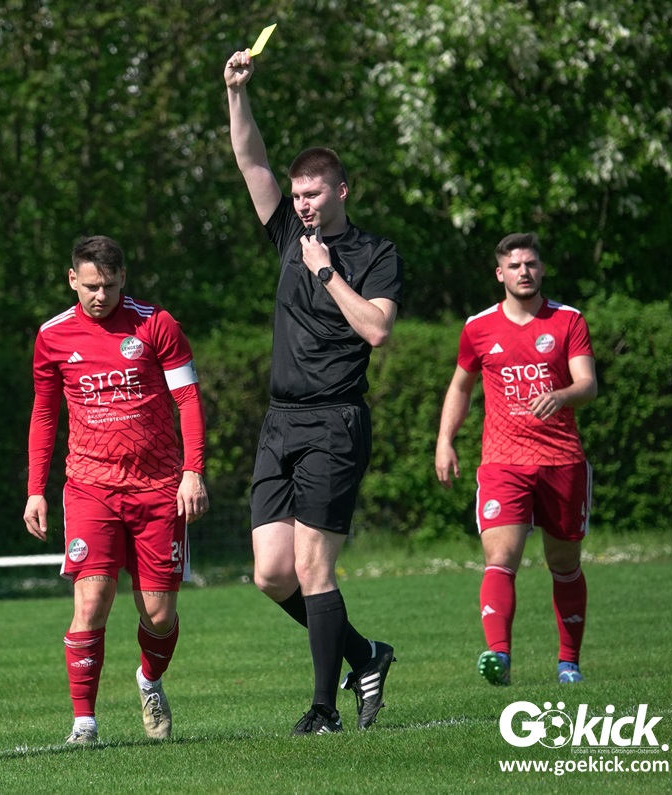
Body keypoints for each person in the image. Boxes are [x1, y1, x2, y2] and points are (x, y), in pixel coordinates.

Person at [224, 50, 403, 734]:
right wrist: (236, 93)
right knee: (272, 574)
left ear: (342, 191)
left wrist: (327, 272)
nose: (302, 203)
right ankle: (366, 654)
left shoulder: (374, 254)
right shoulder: (285, 236)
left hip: (335, 422)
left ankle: (325, 709)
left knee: (312, 565)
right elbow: (251, 162)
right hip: (281, 422)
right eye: (297, 194)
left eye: (314, 193)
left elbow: (378, 330)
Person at [23, 235, 209, 745]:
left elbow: (188, 399)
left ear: (123, 278)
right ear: (72, 280)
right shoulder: (53, 336)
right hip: (91, 487)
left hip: (158, 487)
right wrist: (36, 489)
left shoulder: (157, 324)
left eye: (108, 285)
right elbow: (45, 414)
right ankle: (84, 723)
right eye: (89, 286)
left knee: (159, 615)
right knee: (91, 601)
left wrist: (193, 471)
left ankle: (149, 680)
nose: (99, 296)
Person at [435, 232, 597, 686]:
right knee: (500, 558)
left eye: (530, 264)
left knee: (564, 564)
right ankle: (500, 657)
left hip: (562, 460)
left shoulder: (568, 320)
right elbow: (460, 386)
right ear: (499, 274)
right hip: (503, 462)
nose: (524, 272)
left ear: (541, 270)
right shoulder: (478, 327)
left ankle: (568, 664)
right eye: (514, 265)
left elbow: (588, 384)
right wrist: (444, 440)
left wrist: (561, 395)